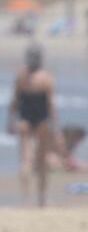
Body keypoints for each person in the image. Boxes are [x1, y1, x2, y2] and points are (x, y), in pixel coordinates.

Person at [9, 44, 59, 206]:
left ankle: (26, 197)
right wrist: (56, 127)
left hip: (24, 119)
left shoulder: (21, 77)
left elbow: (15, 101)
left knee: (25, 159)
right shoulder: (46, 77)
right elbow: (51, 104)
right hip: (42, 121)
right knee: (42, 160)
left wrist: (9, 121)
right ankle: (42, 197)